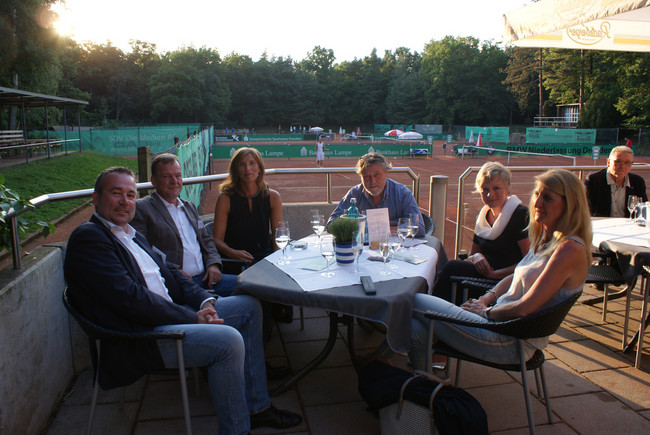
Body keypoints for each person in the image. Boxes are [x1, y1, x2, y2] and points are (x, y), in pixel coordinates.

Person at [63, 167, 302, 434]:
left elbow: (171, 273)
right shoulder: (90, 238)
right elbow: (132, 300)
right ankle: (237, 428)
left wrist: (204, 302)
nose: (125, 201)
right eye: (116, 193)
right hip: (143, 336)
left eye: (130, 195)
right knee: (229, 341)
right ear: (95, 199)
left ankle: (257, 406)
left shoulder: (128, 232)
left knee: (249, 307)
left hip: (172, 313)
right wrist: (191, 316)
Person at [410, 169, 592, 370]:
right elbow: (517, 275)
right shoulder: (546, 238)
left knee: (413, 300)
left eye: (547, 198)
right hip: (498, 326)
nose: (537, 203)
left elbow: (524, 308)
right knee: (414, 328)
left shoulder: (569, 249)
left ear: (572, 204)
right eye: (537, 194)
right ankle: (422, 386)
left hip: (510, 340)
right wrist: (485, 299)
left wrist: (486, 312)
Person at [131, 153, 237, 297]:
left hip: (208, 278)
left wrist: (213, 264)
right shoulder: (142, 209)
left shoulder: (189, 207)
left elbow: (206, 240)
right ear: (153, 181)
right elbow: (141, 252)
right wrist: (170, 272)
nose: (174, 181)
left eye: (178, 175)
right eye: (166, 177)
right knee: (247, 305)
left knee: (252, 287)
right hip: (179, 284)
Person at [432, 162, 530, 305]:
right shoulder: (484, 215)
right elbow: (473, 254)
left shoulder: (520, 215)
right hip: (482, 277)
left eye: (496, 188)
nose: (490, 194)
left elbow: (529, 262)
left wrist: (496, 274)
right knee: (449, 269)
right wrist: (477, 257)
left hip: (503, 284)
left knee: (451, 268)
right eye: (485, 189)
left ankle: (435, 313)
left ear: (508, 189)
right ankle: (437, 310)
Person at [213, 147, 283, 266]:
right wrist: (232, 252)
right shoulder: (225, 199)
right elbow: (216, 239)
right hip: (235, 262)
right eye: (242, 164)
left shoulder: (273, 197)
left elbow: (279, 236)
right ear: (235, 170)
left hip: (265, 259)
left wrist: (278, 263)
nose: (248, 169)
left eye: (252, 163)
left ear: (259, 168)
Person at [328, 152, 425, 236]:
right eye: (366, 176)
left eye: (376, 175)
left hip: (395, 250)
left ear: (386, 173)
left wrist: (379, 231)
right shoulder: (354, 194)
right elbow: (331, 224)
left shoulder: (402, 194)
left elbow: (419, 227)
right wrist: (358, 230)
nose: (372, 181)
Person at [584, 146, 647, 217]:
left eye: (627, 162)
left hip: (629, 226)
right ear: (608, 162)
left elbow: (643, 210)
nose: (622, 166)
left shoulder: (638, 182)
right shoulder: (593, 181)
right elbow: (586, 210)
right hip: (602, 225)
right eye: (618, 161)